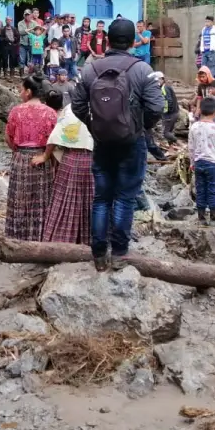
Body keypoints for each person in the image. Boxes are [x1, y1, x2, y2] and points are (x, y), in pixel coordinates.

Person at [71, 19, 163, 271]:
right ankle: (119, 253)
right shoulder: (142, 69)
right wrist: (140, 127)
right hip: (132, 143)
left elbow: (77, 105)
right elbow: (157, 107)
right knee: (124, 198)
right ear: (134, 41)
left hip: (101, 143)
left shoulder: (91, 69)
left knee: (101, 199)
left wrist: (95, 127)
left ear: (107, 41)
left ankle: (98, 254)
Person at [5, 75, 58, 241]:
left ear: (28, 91)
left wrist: (18, 151)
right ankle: (41, 236)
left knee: (19, 198)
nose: (20, 93)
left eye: (21, 89)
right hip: (43, 157)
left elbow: (8, 136)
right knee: (41, 199)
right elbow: (55, 139)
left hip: (21, 157)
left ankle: (17, 236)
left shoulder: (16, 111)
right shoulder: (50, 113)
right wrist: (46, 155)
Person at [39, 89, 94, 245]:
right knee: (92, 202)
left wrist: (45, 156)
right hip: (94, 160)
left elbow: (55, 138)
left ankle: (61, 241)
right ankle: (90, 241)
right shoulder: (102, 107)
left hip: (72, 159)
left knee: (65, 202)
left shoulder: (70, 110)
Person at [189, 96, 215, 225]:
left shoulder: (194, 127)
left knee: (200, 190)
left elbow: (191, 147)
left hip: (199, 163)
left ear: (200, 110)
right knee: (213, 191)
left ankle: (201, 218)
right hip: (214, 164)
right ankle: (213, 219)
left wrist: (192, 162)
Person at [154, 70, 180, 145]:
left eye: (157, 80)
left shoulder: (164, 88)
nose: (156, 83)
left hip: (170, 114)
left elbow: (169, 101)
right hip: (174, 112)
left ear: (162, 79)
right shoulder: (165, 87)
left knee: (166, 133)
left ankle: (180, 143)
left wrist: (166, 113)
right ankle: (171, 148)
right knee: (170, 132)